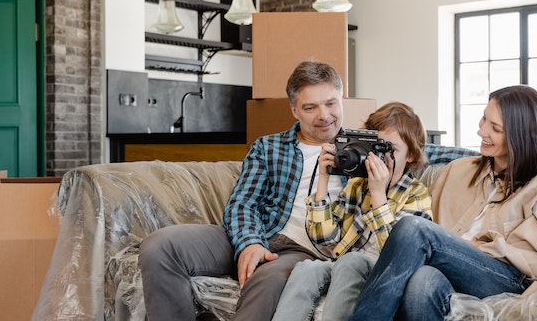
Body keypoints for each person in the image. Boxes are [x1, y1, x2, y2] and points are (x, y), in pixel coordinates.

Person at [138, 60, 478, 321]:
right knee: (160, 247)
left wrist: (493, 154)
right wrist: (249, 242)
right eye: (310, 107)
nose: (324, 116)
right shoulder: (268, 147)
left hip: (307, 248)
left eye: (331, 103)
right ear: (293, 109)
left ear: (341, 99)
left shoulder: (363, 145)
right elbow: (242, 202)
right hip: (260, 233)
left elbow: (413, 149)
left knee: (268, 279)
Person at [348, 85, 537, 321]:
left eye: (495, 128)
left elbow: (534, 262)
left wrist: (476, 247)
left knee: (412, 227)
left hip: (506, 279)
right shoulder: (458, 170)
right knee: (423, 281)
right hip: (446, 268)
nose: (482, 132)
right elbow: (429, 229)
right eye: (483, 119)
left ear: (521, 136)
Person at [272, 102, 434, 321]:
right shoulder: (357, 187)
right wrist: (323, 177)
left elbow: (398, 256)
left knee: (352, 261)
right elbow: (324, 238)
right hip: (343, 266)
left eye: (390, 150)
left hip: (384, 275)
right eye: (376, 148)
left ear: (411, 155)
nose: (380, 159)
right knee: (306, 269)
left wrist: (378, 195)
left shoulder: (416, 196)